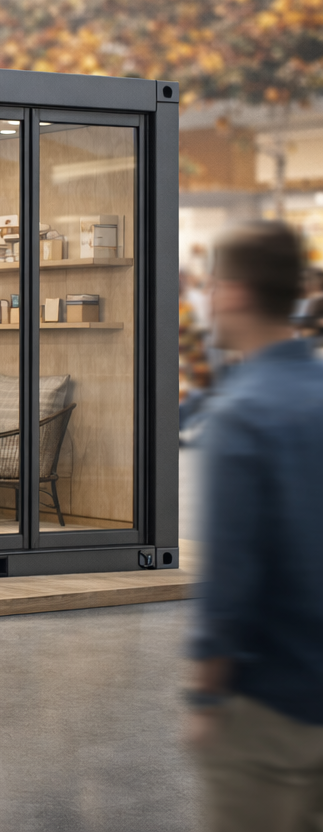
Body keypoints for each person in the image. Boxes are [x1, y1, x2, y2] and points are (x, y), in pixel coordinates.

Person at [188, 221, 323, 830]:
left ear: (236, 292)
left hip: (269, 704)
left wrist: (206, 696)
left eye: (215, 285)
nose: (210, 298)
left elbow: (230, 586)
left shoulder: (241, 415)